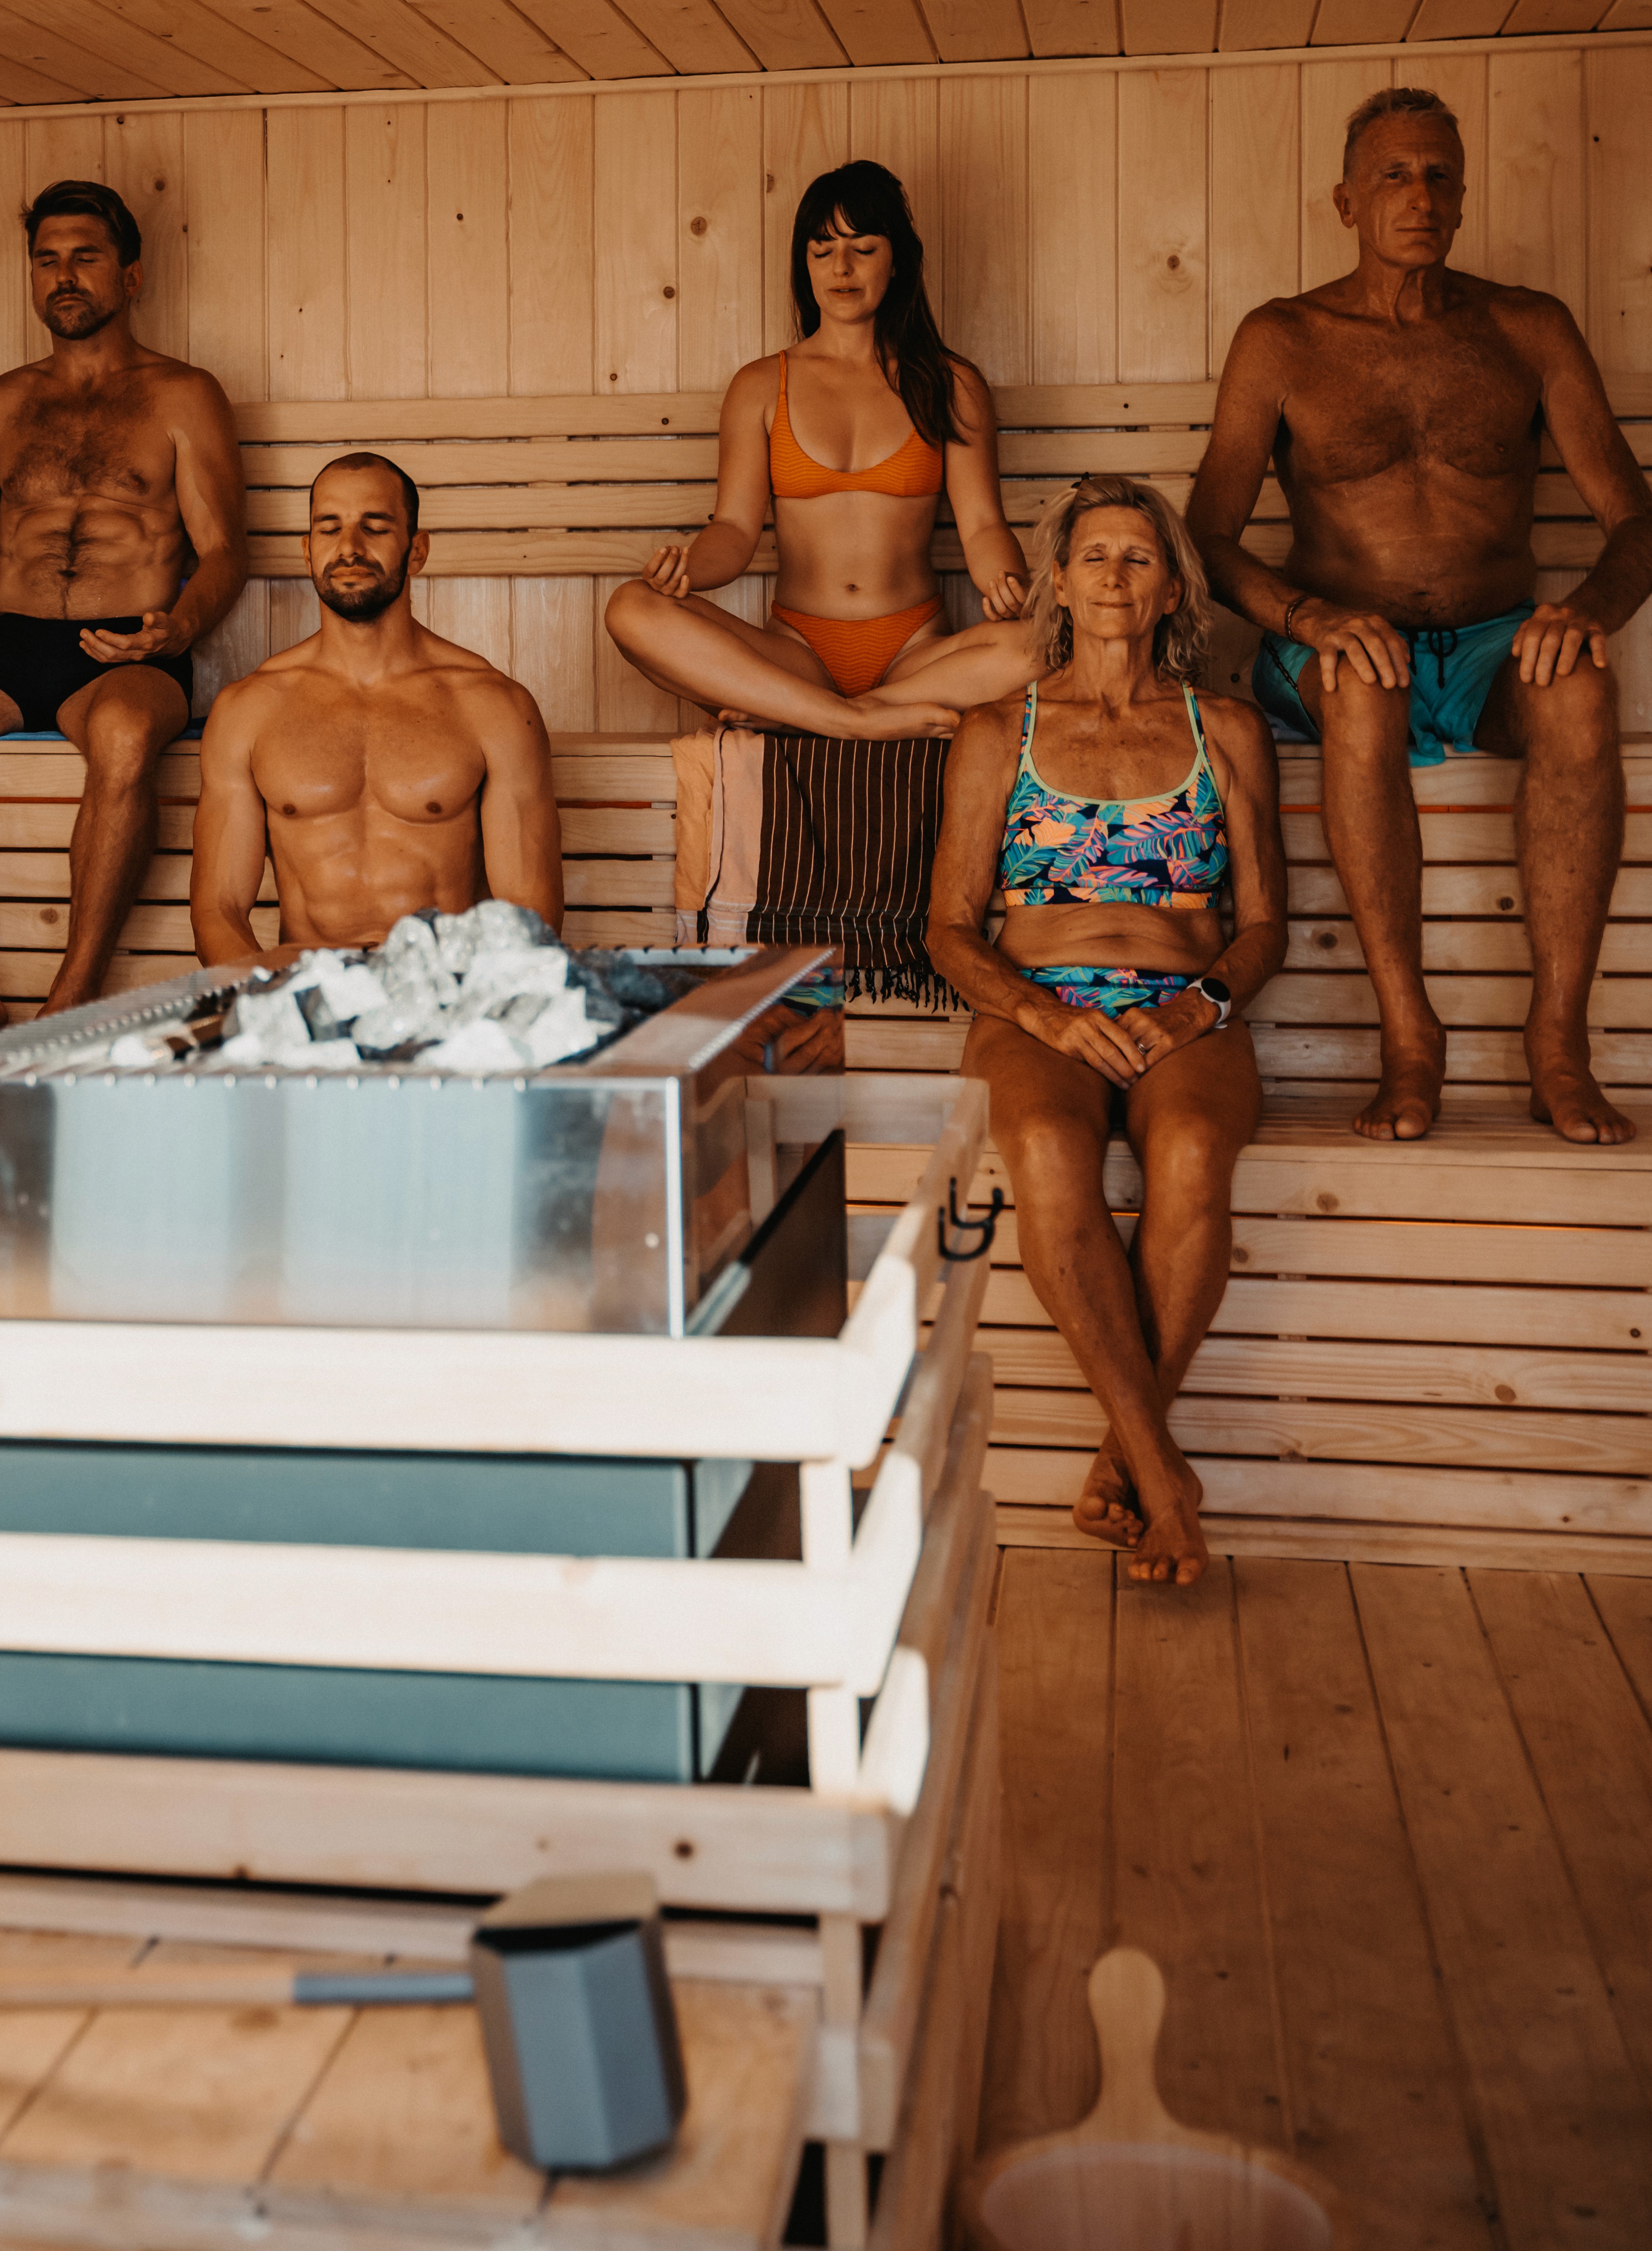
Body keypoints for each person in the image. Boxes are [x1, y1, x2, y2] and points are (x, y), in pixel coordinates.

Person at [1185, 86, 1652, 1147]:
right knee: (1362, 688)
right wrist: (1303, 615)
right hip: (1336, 647)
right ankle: (1409, 1038)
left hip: (1491, 643)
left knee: (1581, 686)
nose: (1419, 194)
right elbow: (1204, 538)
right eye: (1393, 174)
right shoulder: (1284, 338)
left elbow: (1636, 518)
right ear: (1344, 200)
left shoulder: (1527, 329)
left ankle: (1557, 1044)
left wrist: (1583, 609)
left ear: (1462, 194)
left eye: (1439, 172)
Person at [928, 476, 1286, 1587]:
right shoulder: (999, 731)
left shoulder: (1221, 725)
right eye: (1094, 555)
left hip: (1187, 1007)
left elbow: (1266, 923)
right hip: (1037, 1007)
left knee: (1186, 1151)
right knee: (1045, 1150)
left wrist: (1196, 1006)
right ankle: (1161, 1474)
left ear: (1172, 584)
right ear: (1058, 581)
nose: (1116, 575)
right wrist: (1041, 1011)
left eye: (1139, 556)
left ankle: (1131, 1455)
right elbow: (945, 927)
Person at [0, 180, 247, 1035]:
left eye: (85, 258)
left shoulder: (183, 394)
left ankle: (73, 997)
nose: (64, 277)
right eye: (47, 260)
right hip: (12, 643)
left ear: (130, 278)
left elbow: (223, 552)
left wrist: (181, 624)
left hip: (130, 645)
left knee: (127, 735)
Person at [605, 161, 1039, 739]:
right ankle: (850, 719)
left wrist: (1008, 587)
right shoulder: (761, 386)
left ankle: (813, 715)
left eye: (863, 248)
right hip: (797, 653)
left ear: (897, 260)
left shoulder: (949, 383)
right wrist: (684, 571)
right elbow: (734, 531)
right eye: (823, 249)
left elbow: (983, 524)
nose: (842, 267)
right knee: (631, 608)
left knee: (1049, 642)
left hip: (914, 655)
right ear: (803, 263)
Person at [192, 452, 562, 962]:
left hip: (445, 994)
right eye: (329, 528)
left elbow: (529, 912)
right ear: (307, 550)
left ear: (417, 550)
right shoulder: (249, 709)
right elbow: (219, 908)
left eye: (375, 527)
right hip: (307, 994)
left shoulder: (492, 706)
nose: (349, 548)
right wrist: (265, 1008)